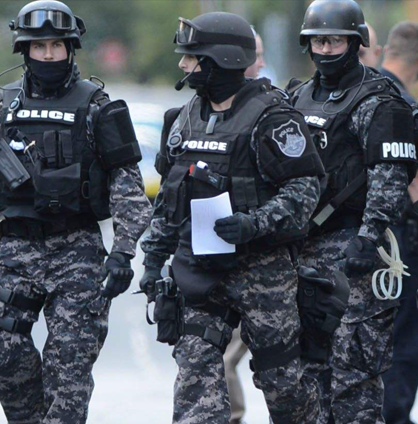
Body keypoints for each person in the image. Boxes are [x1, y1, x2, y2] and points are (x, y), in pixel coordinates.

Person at [140, 11, 326, 424]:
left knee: (284, 389)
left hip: (263, 273)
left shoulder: (273, 118)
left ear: (220, 59)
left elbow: (304, 190)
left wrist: (254, 223)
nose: (183, 65)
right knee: (195, 386)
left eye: (192, 57)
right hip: (199, 273)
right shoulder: (183, 119)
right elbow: (169, 199)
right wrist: (153, 259)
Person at [0, 1, 151, 423]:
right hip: (13, 250)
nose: (48, 55)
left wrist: (122, 252)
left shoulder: (97, 106)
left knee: (69, 369)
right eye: (39, 47)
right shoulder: (3, 105)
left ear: (71, 49)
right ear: (25, 50)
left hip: (77, 251)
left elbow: (128, 186)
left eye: (57, 46)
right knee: (7, 356)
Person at [290, 0, 416, 423]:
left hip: (355, 255)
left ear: (355, 42)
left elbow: (389, 178)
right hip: (301, 254)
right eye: (318, 41)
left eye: (335, 41)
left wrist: (369, 236)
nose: (325, 50)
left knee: (354, 382)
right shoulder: (297, 97)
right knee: (305, 381)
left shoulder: (380, 103)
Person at [223, 29, 265, 424]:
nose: (261, 64)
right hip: (215, 265)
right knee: (218, 359)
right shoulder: (192, 117)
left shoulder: (274, 113)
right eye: (256, 56)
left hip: (265, 265)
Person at [380, 21, 418, 424]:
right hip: (400, 247)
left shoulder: (360, 94)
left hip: (352, 244)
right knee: (402, 342)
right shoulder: (405, 106)